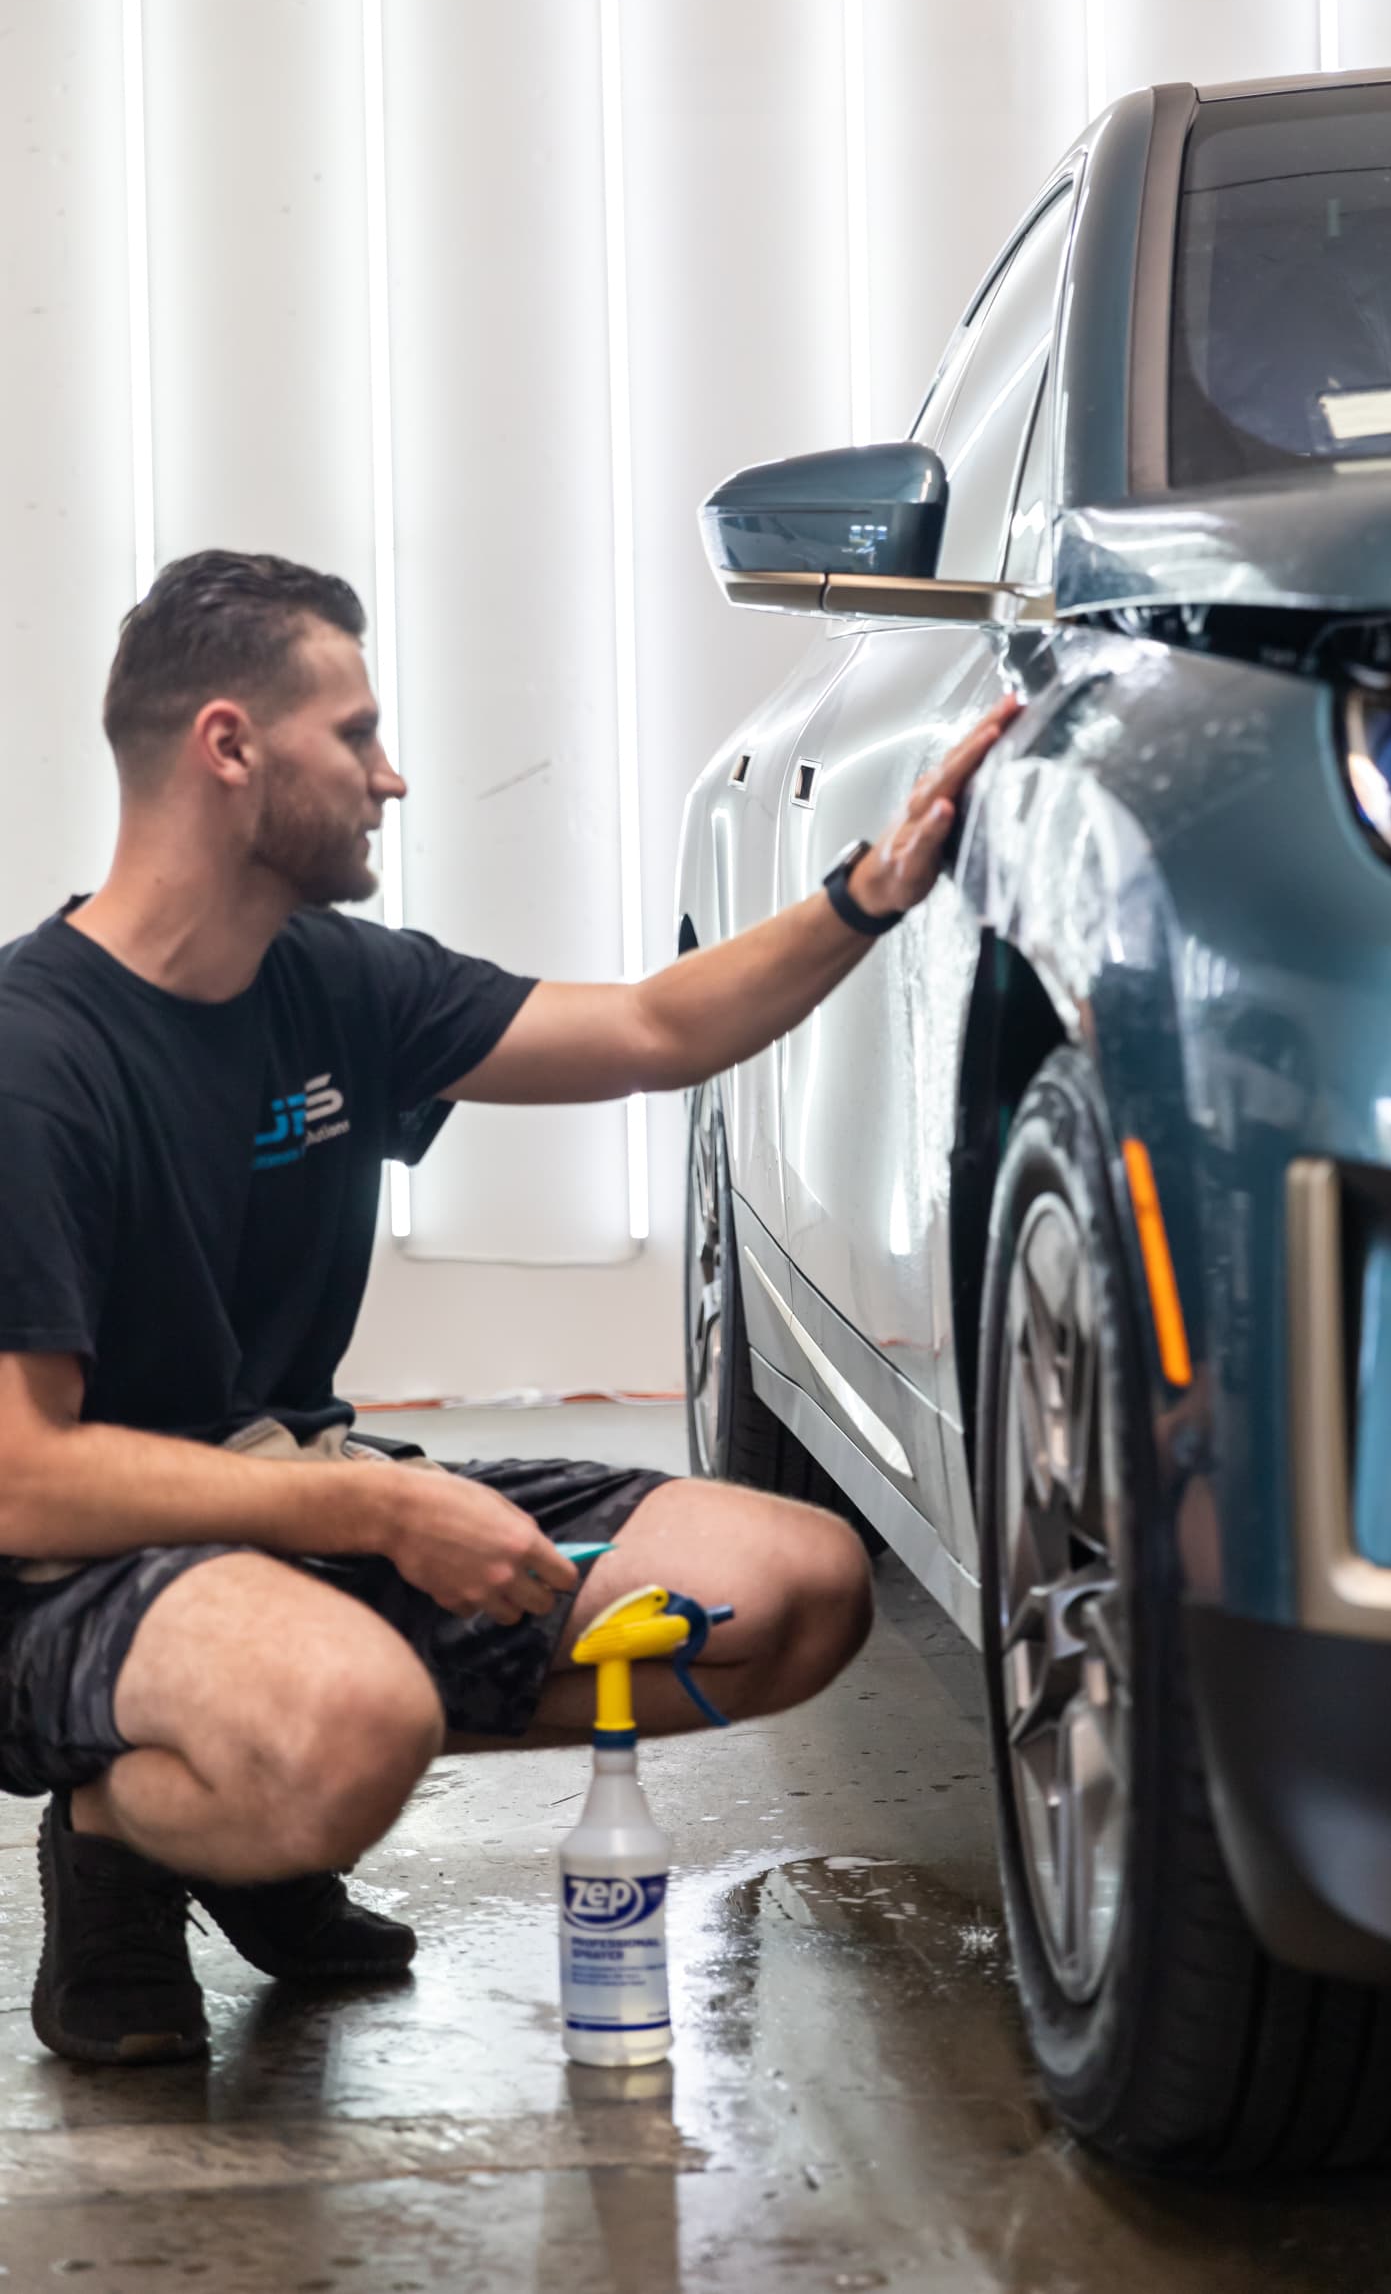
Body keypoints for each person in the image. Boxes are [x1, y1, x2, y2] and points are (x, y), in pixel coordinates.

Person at [0, 550, 1016, 2067]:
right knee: (358, 1722)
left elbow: (659, 1028)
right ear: (229, 747)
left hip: (301, 1503)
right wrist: (386, 1521)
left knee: (793, 1589)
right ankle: (135, 1842)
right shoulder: (36, 1061)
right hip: (78, 1579)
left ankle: (269, 1807)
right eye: (354, 734)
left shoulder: (336, 982)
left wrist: (869, 894)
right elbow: (22, 1474)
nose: (390, 777)